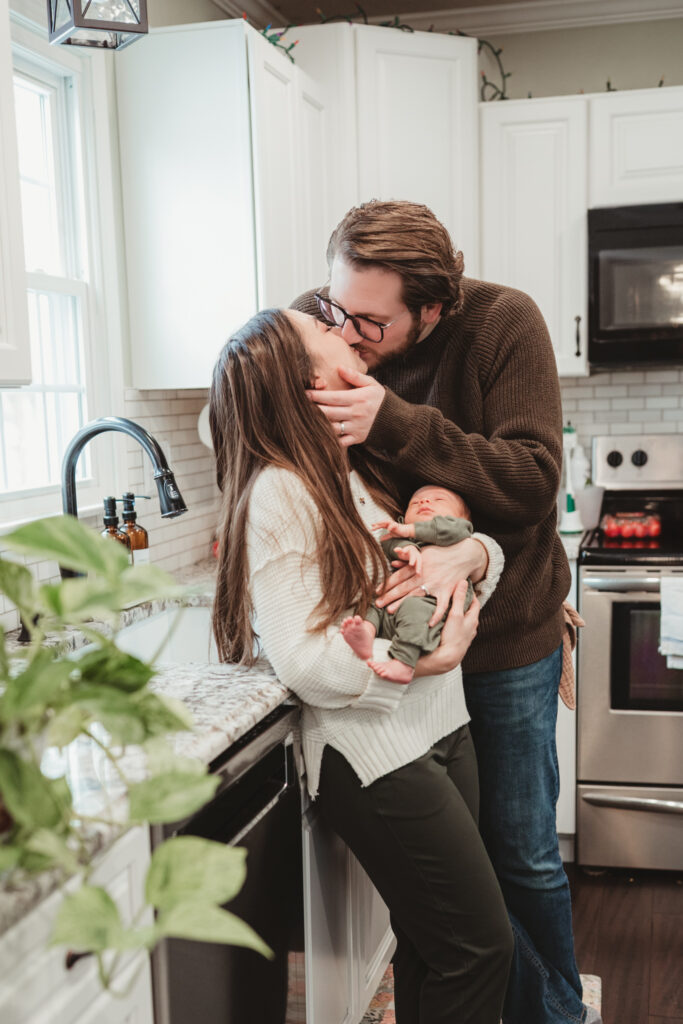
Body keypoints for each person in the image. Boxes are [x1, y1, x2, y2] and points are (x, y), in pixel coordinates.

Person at [291, 200, 600, 1024]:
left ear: (434, 307)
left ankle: (553, 1015)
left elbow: (533, 479)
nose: (348, 334)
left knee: (522, 856)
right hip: (407, 664)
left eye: (371, 321)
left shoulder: (503, 324)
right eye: (335, 308)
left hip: (503, 645)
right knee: (451, 889)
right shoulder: (324, 322)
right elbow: (252, 407)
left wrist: (391, 421)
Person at [209, 306, 513, 1024]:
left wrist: (473, 554)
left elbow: (456, 557)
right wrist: (420, 664)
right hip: (375, 753)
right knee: (479, 948)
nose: (345, 333)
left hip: (440, 727)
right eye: (324, 333)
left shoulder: (343, 470)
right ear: (308, 380)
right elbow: (310, 667)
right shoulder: (281, 492)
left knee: (434, 943)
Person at [342, 484, 475, 683]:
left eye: (439, 500)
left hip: (433, 601)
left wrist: (409, 529)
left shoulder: (458, 531)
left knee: (415, 607)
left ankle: (404, 661)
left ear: (464, 520)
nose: (424, 501)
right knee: (374, 599)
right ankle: (366, 633)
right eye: (415, 502)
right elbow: (389, 542)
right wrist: (406, 547)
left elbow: (451, 530)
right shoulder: (403, 532)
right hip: (396, 599)